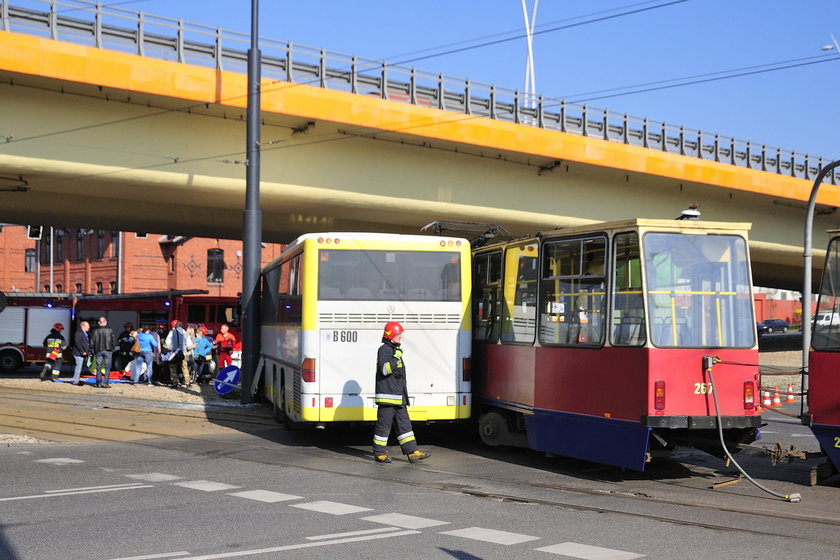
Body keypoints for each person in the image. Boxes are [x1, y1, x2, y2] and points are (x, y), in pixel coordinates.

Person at [371, 321, 431, 464]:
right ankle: (379, 453)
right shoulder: (384, 350)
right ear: (390, 335)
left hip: (398, 397)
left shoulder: (393, 350)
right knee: (383, 426)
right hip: (388, 397)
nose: (400, 337)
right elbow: (385, 370)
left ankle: (412, 452)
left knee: (405, 426)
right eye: (398, 334)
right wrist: (395, 357)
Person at [89, 316, 116, 388]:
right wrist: (112, 349)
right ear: (106, 322)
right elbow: (113, 340)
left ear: (98, 323)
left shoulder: (95, 331)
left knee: (98, 367)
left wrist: (91, 350)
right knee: (107, 367)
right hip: (108, 350)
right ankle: (106, 383)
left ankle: (98, 383)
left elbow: (92, 341)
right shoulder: (110, 330)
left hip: (98, 350)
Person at [164, 320, 188, 387]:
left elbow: (167, 342)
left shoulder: (172, 332)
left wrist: (171, 348)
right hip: (183, 353)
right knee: (184, 368)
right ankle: (185, 382)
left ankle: (175, 382)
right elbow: (188, 343)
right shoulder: (185, 332)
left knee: (173, 368)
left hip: (174, 353)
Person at [71, 320, 91, 386]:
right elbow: (78, 343)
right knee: (78, 367)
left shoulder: (85, 334)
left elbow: (86, 344)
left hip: (83, 353)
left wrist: (88, 352)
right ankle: (75, 381)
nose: (89, 327)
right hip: (78, 353)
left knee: (80, 367)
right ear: (83, 326)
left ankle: (77, 379)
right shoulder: (78, 333)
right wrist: (82, 351)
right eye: (87, 326)